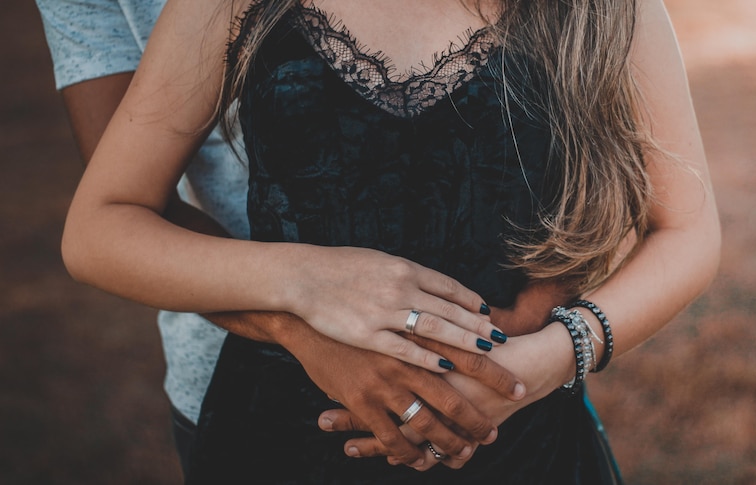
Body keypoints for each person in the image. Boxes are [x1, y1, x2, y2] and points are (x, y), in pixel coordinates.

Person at [60, 0, 721, 482]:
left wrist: (550, 358)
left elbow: (687, 231)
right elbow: (99, 227)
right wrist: (302, 283)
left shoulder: (603, 8)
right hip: (286, 441)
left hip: (519, 437)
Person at [37, 0, 541, 478]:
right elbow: (110, 215)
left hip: (505, 398)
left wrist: (543, 332)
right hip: (272, 388)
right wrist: (307, 300)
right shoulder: (215, 13)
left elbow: (602, 191)